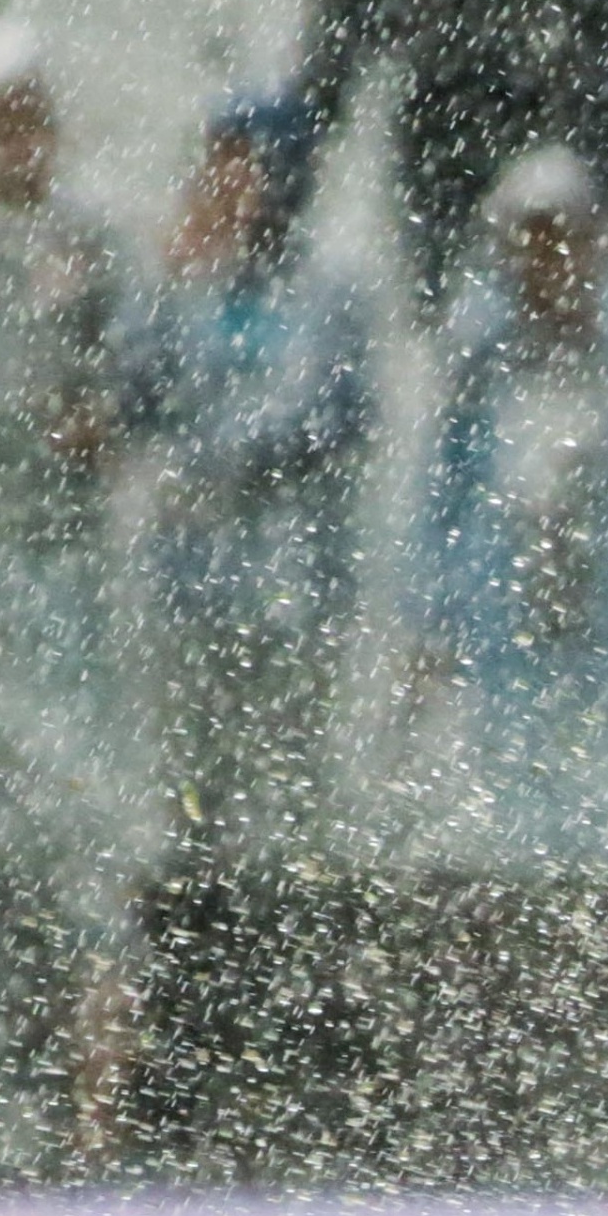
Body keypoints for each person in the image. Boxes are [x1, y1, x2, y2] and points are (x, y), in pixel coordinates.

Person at [411, 146, 608, 863]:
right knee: (503, 779)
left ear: (594, 241)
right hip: (504, 604)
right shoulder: (479, 346)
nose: (547, 260)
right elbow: (443, 490)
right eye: (531, 239)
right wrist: (428, 620)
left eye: (562, 237)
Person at [118, 93, 376, 863]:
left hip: (294, 587)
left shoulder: (329, 293)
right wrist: (165, 282)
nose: (228, 182)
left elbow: (325, 418)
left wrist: (216, 462)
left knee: (294, 791)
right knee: (194, 792)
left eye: (246, 163)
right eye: (218, 163)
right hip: (193, 585)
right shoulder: (181, 284)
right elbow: (134, 398)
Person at [0, 24, 132, 1173]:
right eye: (1, 118)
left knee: (80, 877)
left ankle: (87, 1144)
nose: (17, 142)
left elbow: (142, 381)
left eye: (31, 117)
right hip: (1, 585)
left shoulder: (88, 249)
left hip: (64, 598)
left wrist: (106, 419)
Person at [282, 0, 608, 310]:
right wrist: (305, 145)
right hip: (455, 146)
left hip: (588, 140)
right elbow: (336, 51)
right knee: (445, 321)